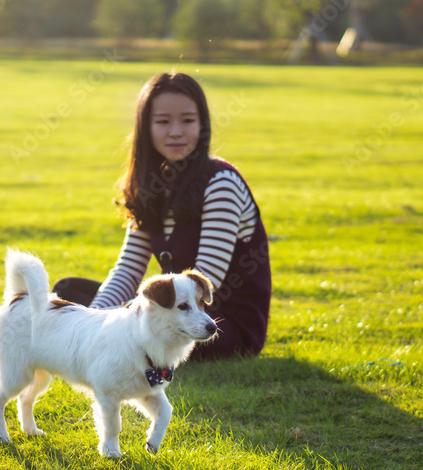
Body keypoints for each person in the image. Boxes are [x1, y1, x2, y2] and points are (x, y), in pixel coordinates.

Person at [54, 72, 271, 360]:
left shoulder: (221, 182)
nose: (176, 131)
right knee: (68, 293)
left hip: (216, 321)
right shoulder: (151, 185)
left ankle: (118, 342)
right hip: (174, 312)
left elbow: (207, 281)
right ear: (145, 128)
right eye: (163, 122)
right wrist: (94, 319)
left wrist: (116, 323)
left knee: (128, 327)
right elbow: (128, 270)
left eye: (188, 120)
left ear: (202, 125)